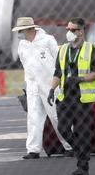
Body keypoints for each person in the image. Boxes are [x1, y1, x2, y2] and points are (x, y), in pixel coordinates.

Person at [48, 18, 95, 175]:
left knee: (82, 131)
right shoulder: (63, 49)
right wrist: (52, 89)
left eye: (72, 30)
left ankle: (82, 167)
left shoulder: (90, 49)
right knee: (63, 128)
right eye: (67, 29)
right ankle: (81, 152)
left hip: (82, 98)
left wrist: (80, 79)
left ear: (80, 31)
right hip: (66, 96)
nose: (69, 33)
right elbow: (58, 72)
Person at [12, 17, 72, 159]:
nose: (19, 33)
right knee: (33, 117)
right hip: (33, 86)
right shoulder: (22, 45)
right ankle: (33, 150)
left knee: (56, 116)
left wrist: (60, 82)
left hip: (50, 85)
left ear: (31, 29)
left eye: (22, 30)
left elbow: (59, 61)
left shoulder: (47, 40)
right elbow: (25, 66)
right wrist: (27, 84)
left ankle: (70, 146)